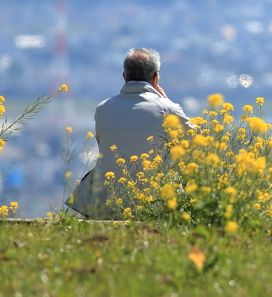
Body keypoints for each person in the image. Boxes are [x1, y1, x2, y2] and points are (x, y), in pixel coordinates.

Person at [67, 47, 191, 218]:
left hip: (106, 204)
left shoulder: (103, 108)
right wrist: (166, 101)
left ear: (124, 77)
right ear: (155, 78)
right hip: (153, 204)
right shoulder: (167, 109)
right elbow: (196, 144)